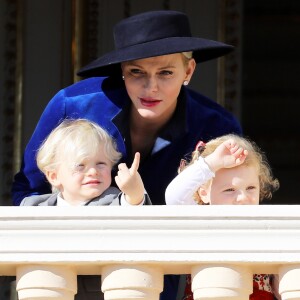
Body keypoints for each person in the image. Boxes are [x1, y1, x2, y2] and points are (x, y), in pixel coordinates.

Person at [12, 10, 242, 300]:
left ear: (189, 71)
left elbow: (231, 207)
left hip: (162, 274)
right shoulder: (72, 106)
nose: (151, 87)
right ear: (122, 70)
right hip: (65, 275)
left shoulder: (217, 126)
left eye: (166, 72)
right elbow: (30, 187)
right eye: (137, 72)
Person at [4, 118, 151, 300]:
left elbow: (133, 215)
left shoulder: (113, 200)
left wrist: (135, 193)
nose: (93, 171)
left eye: (101, 164)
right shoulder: (33, 208)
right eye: (80, 165)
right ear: (54, 176)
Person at [165, 134, 280, 300]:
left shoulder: (265, 230)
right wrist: (212, 163)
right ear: (204, 194)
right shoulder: (202, 226)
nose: (242, 198)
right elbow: (174, 198)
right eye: (229, 190)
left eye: (251, 188)